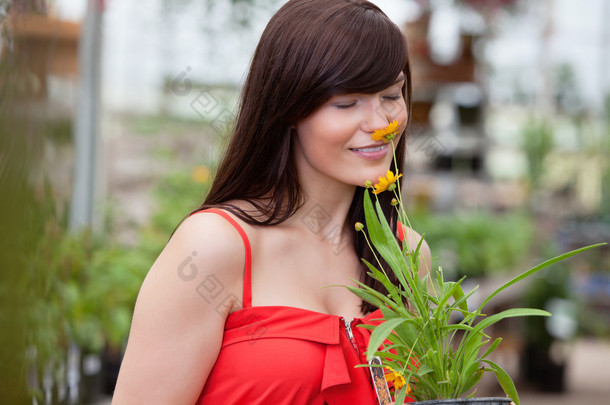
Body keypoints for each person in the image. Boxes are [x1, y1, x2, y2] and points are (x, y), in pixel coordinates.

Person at [112, 0, 431, 403]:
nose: (381, 124)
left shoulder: (408, 254)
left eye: (390, 95)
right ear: (289, 109)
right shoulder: (215, 245)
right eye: (347, 103)